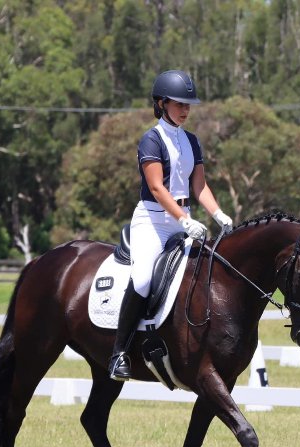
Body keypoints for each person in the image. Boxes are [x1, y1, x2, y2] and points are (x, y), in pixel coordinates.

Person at [108, 70, 233, 381]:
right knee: (142, 279)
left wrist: (218, 214)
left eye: (189, 105)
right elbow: (157, 188)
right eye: (179, 104)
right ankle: (119, 353)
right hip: (153, 221)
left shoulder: (191, 140)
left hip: (184, 221)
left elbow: (199, 186)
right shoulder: (151, 139)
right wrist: (183, 220)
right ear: (162, 103)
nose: (186, 110)